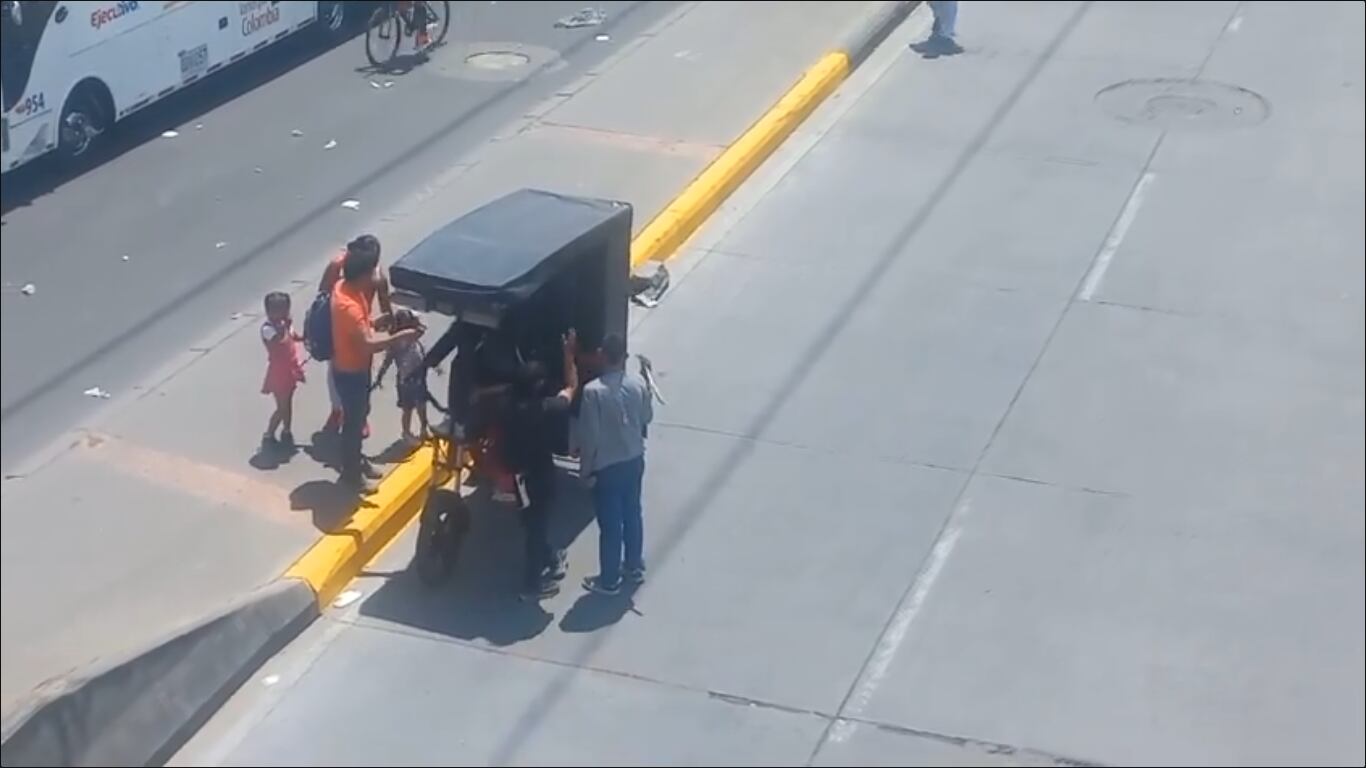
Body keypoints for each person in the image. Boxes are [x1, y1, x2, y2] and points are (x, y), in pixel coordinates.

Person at [331, 244, 420, 493]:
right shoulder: (348, 305)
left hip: (356, 368)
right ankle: (351, 474)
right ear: (361, 275)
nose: (375, 277)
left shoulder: (348, 290)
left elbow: (361, 327)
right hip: (351, 371)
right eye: (372, 272)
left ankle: (357, 461)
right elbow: (368, 343)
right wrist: (401, 336)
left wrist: (375, 322)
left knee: (360, 416)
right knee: (353, 423)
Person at [503, 330, 580, 601]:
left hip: (518, 476)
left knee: (531, 521)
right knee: (537, 525)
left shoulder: (509, 407)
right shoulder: (549, 408)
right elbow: (571, 387)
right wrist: (568, 355)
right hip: (539, 476)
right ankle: (532, 585)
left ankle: (548, 554)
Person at [578, 333, 653, 595]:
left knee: (610, 525)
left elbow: (590, 437)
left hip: (607, 466)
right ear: (625, 357)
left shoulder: (592, 392)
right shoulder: (638, 385)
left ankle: (609, 579)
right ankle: (634, 565)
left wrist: (584, 472)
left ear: (601, 355)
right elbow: (647, 416)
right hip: (634, 460)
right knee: (633, 513)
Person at [319, 235, 392, 436]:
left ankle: (360, 417)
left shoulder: (377, 277)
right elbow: (322, 297)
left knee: (362, 377)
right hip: (338, 322)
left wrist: (386, 327)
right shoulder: (337, 266)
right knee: (335, 375)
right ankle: (336, 411)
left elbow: (386, 311)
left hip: (361, 324)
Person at [372, 309, 438, 447]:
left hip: (419, 376)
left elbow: (422, 349)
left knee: (421, 404)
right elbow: (388, 360)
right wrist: (380, 376)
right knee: (407, 408)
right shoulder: (397, 341)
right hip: (405, 379)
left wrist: (435, 365)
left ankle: (423, 428)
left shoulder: (413, 338)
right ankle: (406, 433)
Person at [259, 291, 305, 451]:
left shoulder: (285, 324)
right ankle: (269, 434)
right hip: (278, 373)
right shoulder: (268, 329)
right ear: (270, 311)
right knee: (281, 406)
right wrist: (285, 325)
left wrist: (305, 338)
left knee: (288, 403)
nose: (286, 313)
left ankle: (287, 430)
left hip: (290, 370)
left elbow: (294, 336)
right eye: (282, 310)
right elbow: (278, 340)